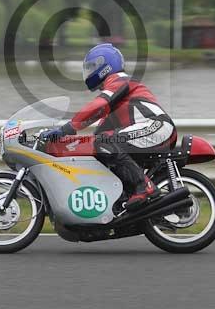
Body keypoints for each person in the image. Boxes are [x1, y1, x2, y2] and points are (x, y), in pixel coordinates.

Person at [42, 43, 177, 209]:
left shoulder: (119, 80)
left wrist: (67, 128)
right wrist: (68, 144)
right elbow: (97, 132)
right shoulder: (115, 99)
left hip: (156, 127)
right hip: (148, 130)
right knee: (100, 144)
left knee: (104, 142)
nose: (89, 71)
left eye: (92, 66)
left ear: (105, 65)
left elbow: (97, 106)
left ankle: (145, 187)